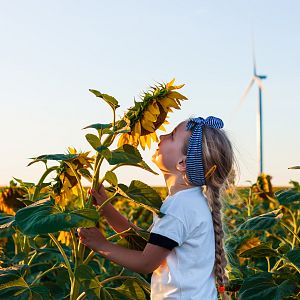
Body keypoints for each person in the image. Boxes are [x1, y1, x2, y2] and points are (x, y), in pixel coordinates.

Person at [78, 116, 236, 300]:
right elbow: (147, 243)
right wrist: (107, 208)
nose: (161, 136)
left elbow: (146, 262)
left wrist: (101, 245)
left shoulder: (180, 207)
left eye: (171, 135)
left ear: (182, 163)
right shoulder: (188, 201)